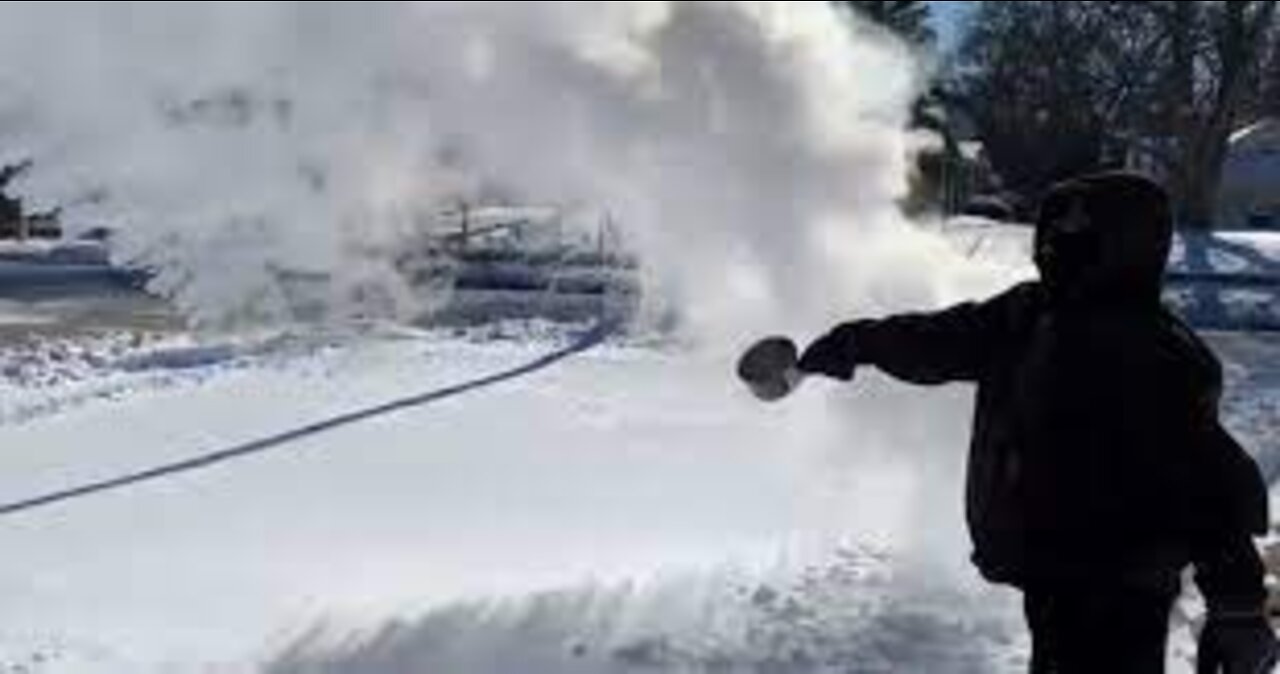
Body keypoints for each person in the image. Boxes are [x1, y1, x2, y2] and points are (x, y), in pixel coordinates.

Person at [796, 172, 1277, 674]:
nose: (1058, 246)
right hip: (1052, 571)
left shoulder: (1158, 354)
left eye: (1079, 234)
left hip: (1122, 584)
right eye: (1056, 231)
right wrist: (855, 343)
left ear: (1127, 244)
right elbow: (937, 340)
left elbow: (1208, 484)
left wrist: (1237, 606)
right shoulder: (1026, 315)